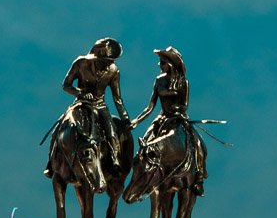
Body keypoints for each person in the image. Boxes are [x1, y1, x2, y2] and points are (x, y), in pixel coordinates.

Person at [45, 37, 131, 174]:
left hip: (100, 105)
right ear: (99, 57)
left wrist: (125, 118)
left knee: (111, 131)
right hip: (81, 104)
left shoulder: (114, 71)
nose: (111, 63)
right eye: (108, 60)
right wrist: (80, 94)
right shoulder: (81, 63)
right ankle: (51, 162)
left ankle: (114, 160)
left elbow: (117, 98)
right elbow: (66, 85)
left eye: (113, 61)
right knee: (59, 128)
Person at [131, 47, 207, 188]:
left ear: (171, 64)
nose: (159, 65)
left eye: (162, 63)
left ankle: (199, 176)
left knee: (199, 144)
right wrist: (136, 121)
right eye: (160, 63)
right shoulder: (159, 81)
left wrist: (178, 109)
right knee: (145, 144)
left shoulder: (184, 82)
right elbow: (150, 107)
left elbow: (184, 105)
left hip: (178, 119)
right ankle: (142, 175)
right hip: (162, 118)